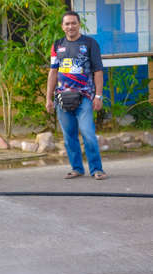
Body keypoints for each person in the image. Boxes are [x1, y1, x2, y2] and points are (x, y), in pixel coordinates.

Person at [46, 11, 107, 180]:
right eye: (67, 24)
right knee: (69, 136)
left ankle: (97, 169)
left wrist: (98, 96)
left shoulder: (89, 43)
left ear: (79, 24)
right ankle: (77, 168)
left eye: (73, 23)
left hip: (85, 98)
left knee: (88, 133)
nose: (70, 26)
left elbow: (98, 71)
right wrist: (48, 98)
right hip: (62, 99)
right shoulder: (57, 45)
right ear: (62, 26)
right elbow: (52, 72)